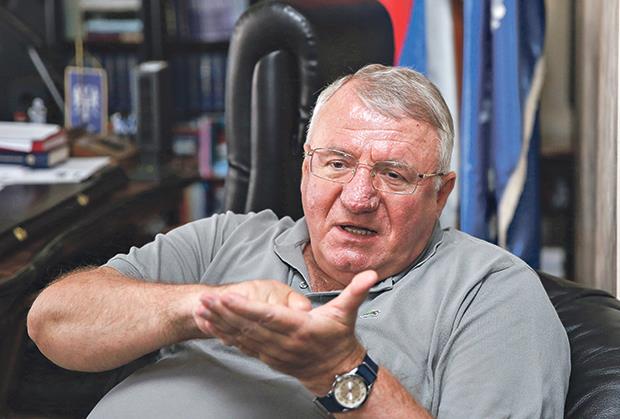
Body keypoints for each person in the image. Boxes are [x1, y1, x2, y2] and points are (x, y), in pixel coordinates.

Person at [27, 64, 570, 418]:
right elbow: (52, 323)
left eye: (394, 175)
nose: (358, 197)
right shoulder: (225, 239)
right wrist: (202, 308)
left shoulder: (492, 292)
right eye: (337, 163)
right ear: (306, 170)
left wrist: (339, 369)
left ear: (440, 193)